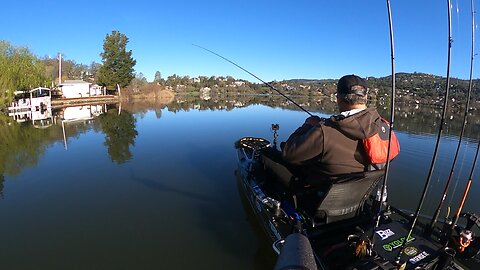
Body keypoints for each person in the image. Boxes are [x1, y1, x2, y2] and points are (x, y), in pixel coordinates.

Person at [281, 74, 397, 187]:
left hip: (318, 195)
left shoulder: (324, 131)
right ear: (366, 97)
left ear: (339, 98)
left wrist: (307, 125)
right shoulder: (385, 127)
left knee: (268, 155)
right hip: (360, 196)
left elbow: (289, 154)